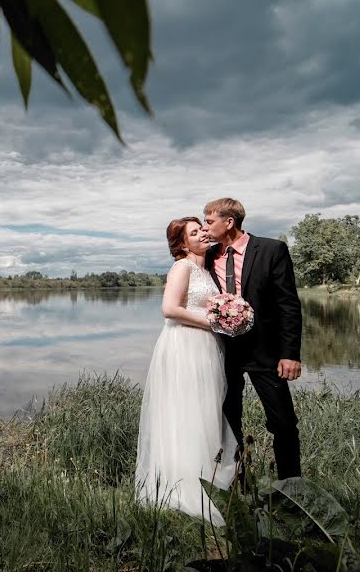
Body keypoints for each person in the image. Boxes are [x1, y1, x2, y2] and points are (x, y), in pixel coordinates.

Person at [135, 216, 238, 526]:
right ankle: (183, 483)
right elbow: (170, 309)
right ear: (182, 244)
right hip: (184, 345)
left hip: (206, 346)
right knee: (185, 410)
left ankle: (205, 473)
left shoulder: (208, 270)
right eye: (195, 232)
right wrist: (214, 322)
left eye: (203, 229)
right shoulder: (182, 267)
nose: (203, 234)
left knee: (204, 409)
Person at [202, 198, 303, 480]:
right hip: (223, 352)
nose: (205, 227)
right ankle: (237, 483)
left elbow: (288, 305)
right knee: (228, 420)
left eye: (209, 221)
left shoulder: (272, 250)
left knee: (283, 423)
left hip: (266, 352)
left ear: (229, 222)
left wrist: (290, 353)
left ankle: (291, 488)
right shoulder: (208, 256)